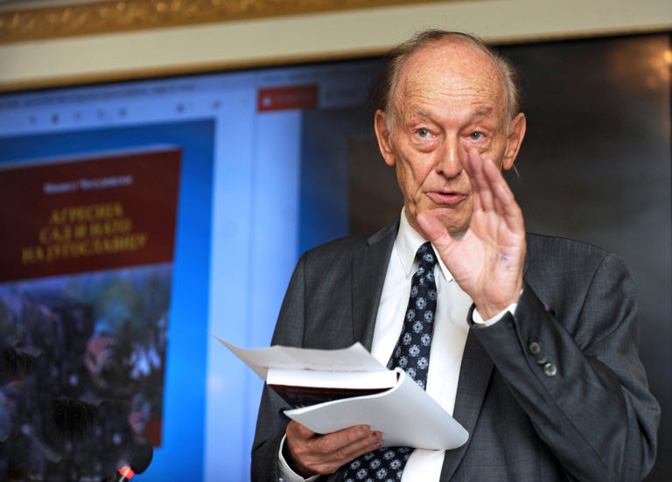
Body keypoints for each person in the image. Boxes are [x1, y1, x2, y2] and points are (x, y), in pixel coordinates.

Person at [251, 30, 660, 482]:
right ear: (386, 138)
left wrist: (507, 308)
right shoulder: (319, 274)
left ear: (511, 141)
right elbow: (267, 461)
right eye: (424, 132)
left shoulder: (588, 279)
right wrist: (295, 462)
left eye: (476, 135)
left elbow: (622, 464)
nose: (450, 165)